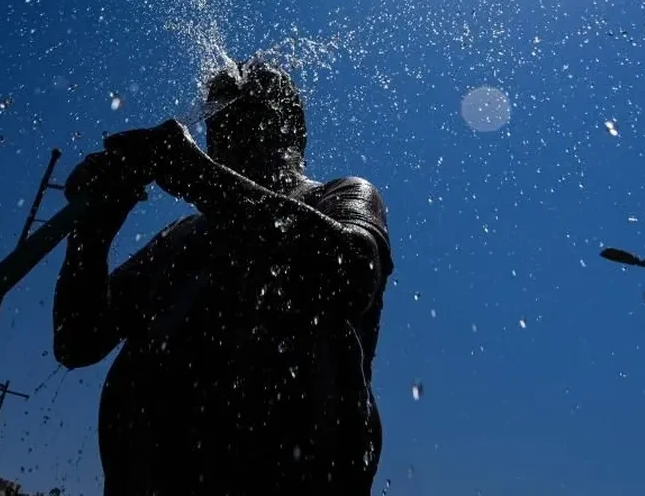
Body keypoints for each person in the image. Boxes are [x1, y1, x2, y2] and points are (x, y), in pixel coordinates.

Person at [53, 58, 392, 496]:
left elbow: (353, 272)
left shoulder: (340, 197)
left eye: (247, 115)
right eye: (219, 121)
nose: (228, 132)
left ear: (293, 131)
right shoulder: (179, 239)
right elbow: (78, 341)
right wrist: (92, 233)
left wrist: (198, 176)